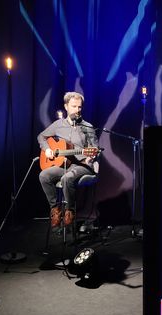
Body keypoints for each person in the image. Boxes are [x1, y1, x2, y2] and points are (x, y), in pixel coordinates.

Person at [37, 92, 99, 228]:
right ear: (66, 106)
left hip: (82, 166)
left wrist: (91, 156)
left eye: (79, 107)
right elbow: (41, 137)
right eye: (74, 106)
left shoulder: (87, 126)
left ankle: (70, 210)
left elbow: (95, 148)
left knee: (66, 179)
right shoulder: (58, 125)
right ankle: (55, 209)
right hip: (64, 164)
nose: (77, 110)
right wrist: (47, 149)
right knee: (44, 175)